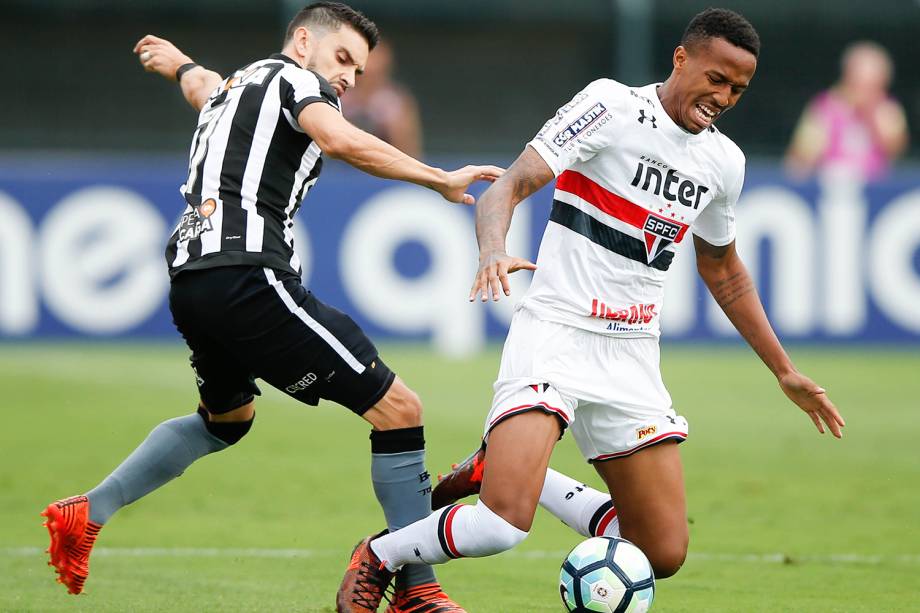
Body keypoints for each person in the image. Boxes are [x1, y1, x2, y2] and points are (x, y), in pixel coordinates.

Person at [336, 8, 846, 611]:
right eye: (716, 78)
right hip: (556, 331)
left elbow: (723, 268)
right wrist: (494, 249)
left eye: (737, 88)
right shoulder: (611, 105)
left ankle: (497, 468)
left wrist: (783, 370)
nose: (724, 96)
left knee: (659, 553)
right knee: (502, 527)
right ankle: (380, 555)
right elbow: (509, 185)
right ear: (681, 59)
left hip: (632, 355)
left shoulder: (723, 163)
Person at [40, 4, 501, 612]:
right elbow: (338, 139)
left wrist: (175, 61)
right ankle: (417, 590)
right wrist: (437, 178)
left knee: (225, 419)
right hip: (247, 272)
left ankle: (88, 511)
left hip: (191, 277)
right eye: (343, 60)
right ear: (303, 41)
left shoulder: (236, 87)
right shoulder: (299, 83)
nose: (348, 80)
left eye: (359, 73)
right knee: (399, 409)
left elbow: (200, 84)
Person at [785, 41, 908, 182]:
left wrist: (869, 117)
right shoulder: (825, 107)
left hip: (875, 186)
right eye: (861, 83)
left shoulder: (888, 109)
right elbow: (801, 155)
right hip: (832, 185)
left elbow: (897, 151)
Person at [340, 39, 424, 159]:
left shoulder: (395, 101)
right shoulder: (338, 96)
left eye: (376, 59)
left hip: (384, 171)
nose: (371, 67)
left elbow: (410, 152)